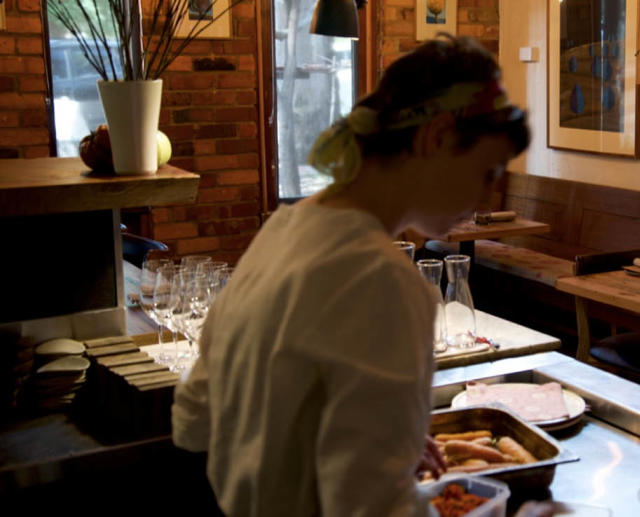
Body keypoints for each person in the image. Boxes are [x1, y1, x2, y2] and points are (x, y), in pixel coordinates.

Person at [171, 35, 550, 517]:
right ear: (435, 137)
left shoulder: (284, 230)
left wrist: (372, 441)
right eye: (487, 170)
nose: (485, 196)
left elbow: (194, 419)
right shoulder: (383, 280)